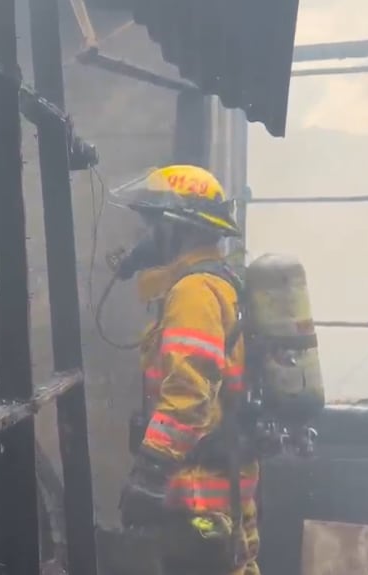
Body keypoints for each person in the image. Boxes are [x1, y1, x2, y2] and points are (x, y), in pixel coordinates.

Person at [113, 165, 259, 575]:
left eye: (154, 225)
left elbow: (190, 394)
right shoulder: (220, 283)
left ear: (178, 230)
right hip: (221, 480)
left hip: (200, 489)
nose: (147, 238)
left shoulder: (193, 292)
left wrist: (151, 470)